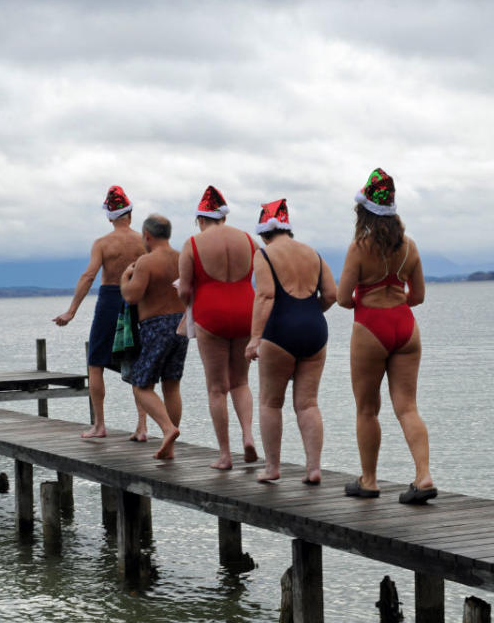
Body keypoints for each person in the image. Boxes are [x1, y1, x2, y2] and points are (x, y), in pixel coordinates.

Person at [337, 168, 436, 503]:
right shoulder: (410, 247)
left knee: (367, 408)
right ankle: (423, 477)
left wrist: (365, 301)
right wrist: (396, 301)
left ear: (365, 210)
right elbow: (419, 295)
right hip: (405, 326)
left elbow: (341, 297)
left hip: (371, 327)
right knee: (407, 407)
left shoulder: (359, 247)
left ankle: (369, 481)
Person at [245, 200, 337, 484]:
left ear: (264, 233)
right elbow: (331, 295)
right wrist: (307, 315)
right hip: (314, 331)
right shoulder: (314, 254)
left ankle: (272, 467)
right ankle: (313, 468)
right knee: (308, 404)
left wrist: (254, 338)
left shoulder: (264, 254)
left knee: (271, 403)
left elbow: (266, 296)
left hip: (279, 332)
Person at [52, 185, 148, 440]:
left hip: (109, 300)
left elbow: (88, 276)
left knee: (95, 363)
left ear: (109, 215)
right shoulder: (143, 242)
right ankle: (142, 427)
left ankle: (100, 425)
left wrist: (72, 311)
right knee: (138, 362)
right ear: (130, 213)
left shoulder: (103, 243)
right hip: (137, 299)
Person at [178, 186, 259, 470]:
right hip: (246, 311)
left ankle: (225, 455)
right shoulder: (249, 241)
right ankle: (248, 436)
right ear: (223, 217)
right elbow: (262, 279)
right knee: (241, 381)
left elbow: (185, 290)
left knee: (216, 388)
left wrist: (189, 305)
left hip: (211, 313)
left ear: (201, 219)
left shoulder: (192, 244)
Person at [121, 214, 188, 460]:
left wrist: (124, 279)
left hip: (155, 326)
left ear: (147, 236)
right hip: (181, 325)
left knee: (140, 385)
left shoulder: (147, 262)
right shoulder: (183, 258)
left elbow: (132, 296)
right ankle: (169, 446)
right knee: (171, 385)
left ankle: (168, 428)